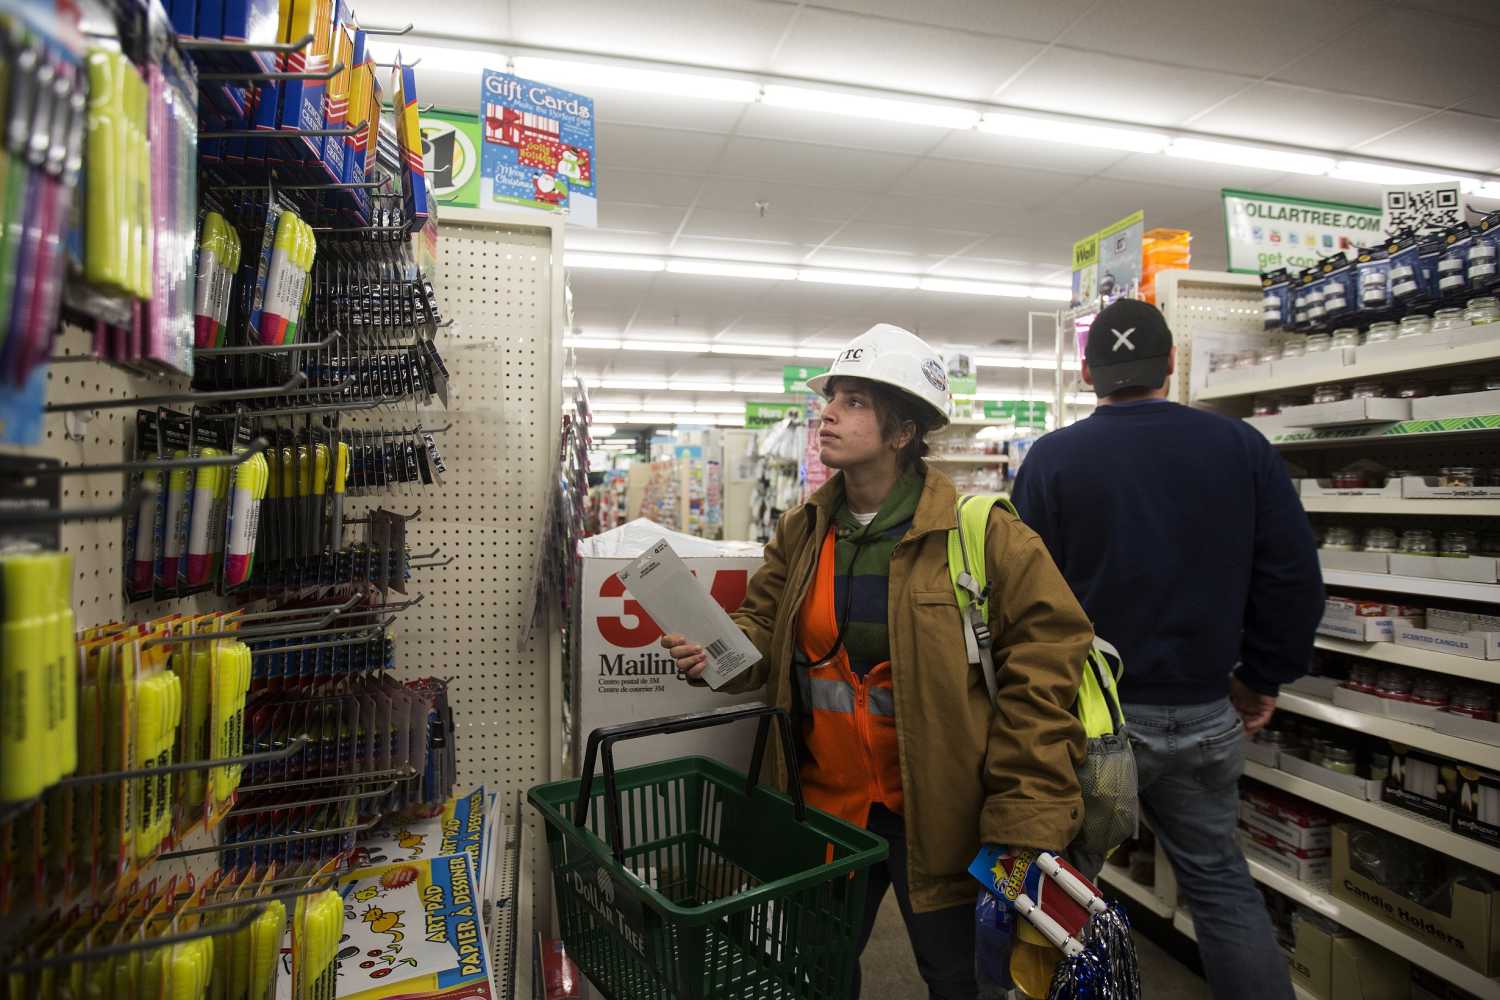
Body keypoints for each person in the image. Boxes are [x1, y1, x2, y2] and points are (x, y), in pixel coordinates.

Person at [660, 323, 1097, 1000]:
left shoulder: (984, 533)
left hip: (945, 814)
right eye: (831, 396)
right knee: (816, 973)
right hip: (827, 804)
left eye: (855, 400)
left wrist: (1024, 815)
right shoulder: (803, 528)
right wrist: (714, 656)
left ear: (902, 433)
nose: (828, 412)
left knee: (959, 978)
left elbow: (1043, 678)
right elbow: (763, 634)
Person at [1009, 298, 1323, 1000]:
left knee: (1062, 884)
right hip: (1207, 713)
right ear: (1172, 365)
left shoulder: (1054, 460)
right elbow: (1294, 579)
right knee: (1218, 882)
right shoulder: (1241, 448)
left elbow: (1019, 599)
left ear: (1090, 373)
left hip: (1092, 725)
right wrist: (1261, 677)